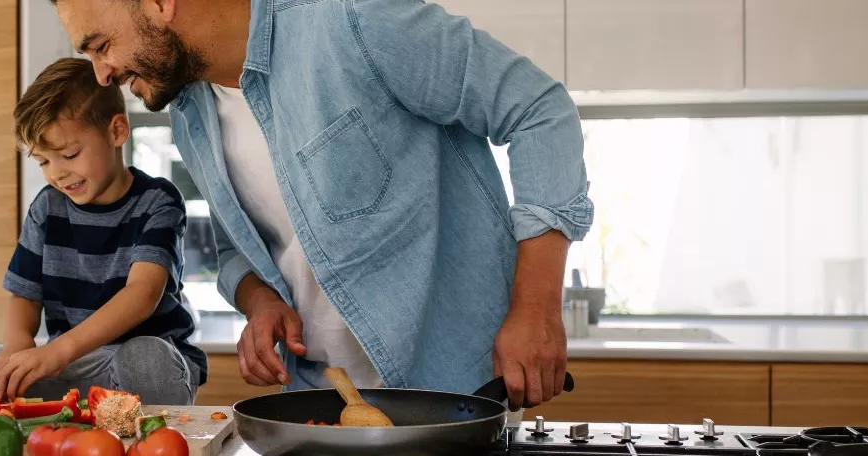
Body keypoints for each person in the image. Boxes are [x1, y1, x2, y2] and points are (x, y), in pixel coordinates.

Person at [52, 0, 593, 410]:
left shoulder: (351, 21)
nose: (102, 74)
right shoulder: (188, 114)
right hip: (322, 402)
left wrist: (536, 307)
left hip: (454, 393)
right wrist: (259, 301)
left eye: (101, 46)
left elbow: (538, 110)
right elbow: (235, 245)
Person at [0, 57, 207, 406]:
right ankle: (65, 415)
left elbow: (142, 295)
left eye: (69, 154)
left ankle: (96, 418)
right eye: (43, 161)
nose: (56, 173)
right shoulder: (47, 207)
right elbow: (24, 296)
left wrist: (57, 352)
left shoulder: (158, 201)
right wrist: (16, 351)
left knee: (146, 359)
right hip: (72, 369)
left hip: (136, 366)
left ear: (117, 131)